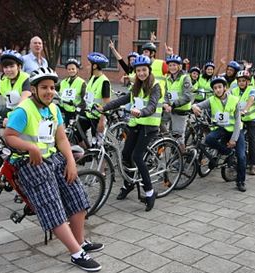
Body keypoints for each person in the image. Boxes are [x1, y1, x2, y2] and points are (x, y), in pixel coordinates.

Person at [3, 67, 103, 272]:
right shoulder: (24, 110)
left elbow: (61, 138)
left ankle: (80, 241)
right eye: (44, 87)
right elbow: (9, 135)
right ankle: (76, 253)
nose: (49, 91)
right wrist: (31, 147)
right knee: (52, 204)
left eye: (51, 87)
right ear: (34, 89)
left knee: (77, 195)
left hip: (53, 158)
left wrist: (71, 162)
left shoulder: (54, 109)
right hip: (29, 163)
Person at [99, 55, 163, 211]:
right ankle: (129, 184)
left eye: (144, 70)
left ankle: (149, 191)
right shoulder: (136, 86)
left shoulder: (155, 85)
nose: (141, 73)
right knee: (126, 154)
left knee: (137, 156)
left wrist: (142, 112)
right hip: (136, 124)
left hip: (149, 126)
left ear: (149, 70)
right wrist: (104, 108)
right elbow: (125, 99)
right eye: (138, 70)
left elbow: (153, 105)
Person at [192, 76, 247, 192]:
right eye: (215, 88)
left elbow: (238, 121)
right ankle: (227, 152)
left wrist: (233, 139)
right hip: (222, 129)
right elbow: (198, 105)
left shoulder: (234, 100)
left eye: (220, 87)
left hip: (235, 130)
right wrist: (194, 106)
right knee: (209, 139)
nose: (217, 90)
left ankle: (240, 181)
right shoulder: (212, 100)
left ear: (225, 88)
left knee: (241, 156)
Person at [162, 54, 193, 153]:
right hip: (170, 109)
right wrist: (166, 103)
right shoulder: (168, 79)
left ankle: (182, 158)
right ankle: (169, 143)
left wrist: (173, 105)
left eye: (174, 65)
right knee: (156, 122)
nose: (172, 67)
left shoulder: (185, 78)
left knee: (179, 137)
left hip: (180, 111)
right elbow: (166, 94)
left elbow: (187, 96)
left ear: (179, 66)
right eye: (170, 65)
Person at [231, 70, 255, 175]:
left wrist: (246, 109)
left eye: (244, 80)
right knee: (236, 138)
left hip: (252, 119)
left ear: (248, 81)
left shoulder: (252, 89)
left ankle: (253, 164)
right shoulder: (234, 90)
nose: (241, 83)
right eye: (239, 81)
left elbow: (251, 99)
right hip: (240, 119)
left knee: (252, 141)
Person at [57, 58, 86, 127]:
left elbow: (84, 99)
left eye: (73, 69)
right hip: (65, 110)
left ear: (77, 70)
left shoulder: (82, 82)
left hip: (75, 111)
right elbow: (53, 88)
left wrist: (79, 109)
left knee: (76, 132)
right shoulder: (63, 82)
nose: (71, 71)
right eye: (69, 69)